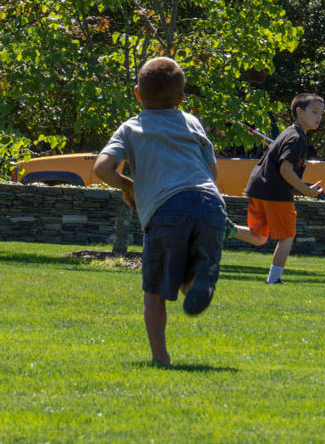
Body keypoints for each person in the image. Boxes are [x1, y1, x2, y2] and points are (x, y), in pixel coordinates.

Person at [93, 57, 227, 366]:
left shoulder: (132, 127)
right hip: (210, 206)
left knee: (154, 291)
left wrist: (129, 185)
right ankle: (196, 283)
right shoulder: (191, 121)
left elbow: (102, 168)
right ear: (181, 98)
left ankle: (161, 357)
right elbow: (212, 173)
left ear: (137, 93)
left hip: (167, 210)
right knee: (190, 268)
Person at [229, 93, 325, 284]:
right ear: (299, 112)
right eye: (314, 112)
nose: (319, 117)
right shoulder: (296, 138)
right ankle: (273, 280)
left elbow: (283, 171)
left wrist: (303, 187)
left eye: (321, 113)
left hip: (258, 189)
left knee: (258, 237)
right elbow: (285, 170)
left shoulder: (288, 133)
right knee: (287, 236)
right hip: (275, 194)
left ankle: (225, 229)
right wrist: (307, 191)